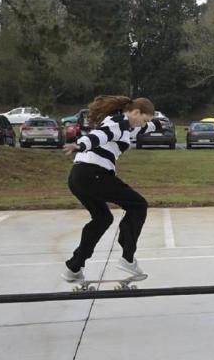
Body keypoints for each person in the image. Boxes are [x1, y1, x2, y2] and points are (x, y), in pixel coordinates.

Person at [61, 95, 162, 283]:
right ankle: (127, 258)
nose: (143, 124)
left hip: (79, 176)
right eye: (144, 119)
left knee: (103, 218)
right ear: (135, 112)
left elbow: (145, 127)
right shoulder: (118, 122)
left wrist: (157, 124)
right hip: (94, 174)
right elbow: (100, 135)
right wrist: (80, 145)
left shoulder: (129, 125)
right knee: (138, 205)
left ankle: (74, 267)